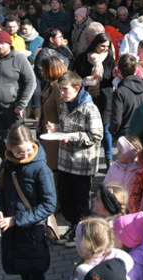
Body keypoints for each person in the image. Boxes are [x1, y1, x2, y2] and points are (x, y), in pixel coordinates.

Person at [44, 71, 103, 246]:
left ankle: (84, 235)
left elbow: (96, 136)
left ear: (76, 89)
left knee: (81, 201)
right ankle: (73, 227)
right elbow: (65, 125)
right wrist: (56, 128)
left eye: (64, 89)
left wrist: (72, 137)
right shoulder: (64, 104)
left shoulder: (89, 109)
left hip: (82, 163)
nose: (61, 93)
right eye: (60, 89)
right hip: (65, 162)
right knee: (66, 196)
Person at [0, 124, 55, 279]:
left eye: (28, 150)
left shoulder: (40, 168)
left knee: (34, 274)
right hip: (13, 234)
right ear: (8, 147)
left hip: (32, 234)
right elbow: (4, 192)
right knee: (24, 274)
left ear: (33, 142)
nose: (25, 155)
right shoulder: (6, 164)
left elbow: (49, 204)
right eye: (19, 152)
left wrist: (15, 220)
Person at [0, 30, 36, 158]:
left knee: (18, 141)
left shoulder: (19, 59)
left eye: (3, 43)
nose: (0, 46)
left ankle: (15, 164)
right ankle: (8, 159)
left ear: (9, 44)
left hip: (14, 108)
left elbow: (31, 82)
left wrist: (21, 104)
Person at [75, 32, 116, 167]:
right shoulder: (83, 58)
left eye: (107, 46)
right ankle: (89, 158)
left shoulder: (110, 59)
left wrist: (101, 80)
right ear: (95, 44)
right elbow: (76, 74)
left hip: (105, 96)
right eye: (102, 46)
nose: (105, 49)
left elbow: (111, 78)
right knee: (87, 127)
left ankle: (109, 159)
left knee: (106, 129)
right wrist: (84, 81)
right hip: (87, 96)